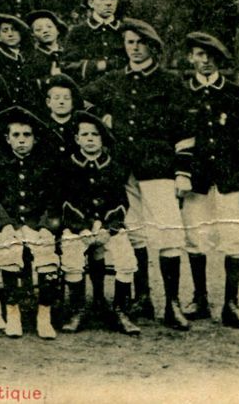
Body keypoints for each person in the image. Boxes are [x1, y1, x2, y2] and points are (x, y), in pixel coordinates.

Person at [83, 18, 191, 330]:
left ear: (153, 47)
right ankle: (143, 296)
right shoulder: (115, 80)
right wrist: (99, 121)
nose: (135, 48)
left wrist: (183, 173)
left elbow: (184, 132)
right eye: (130, 42)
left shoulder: (169, 83)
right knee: (135, 232)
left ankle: (172, 304)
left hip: (158, 168)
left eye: (141, 43)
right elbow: (78, 98)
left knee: (169, 233)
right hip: (123, 169)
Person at [177, 32, 239, 329]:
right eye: (199, 55)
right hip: (196, 180)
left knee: (234, 237)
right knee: (194, 237)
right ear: (190, 58)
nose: (205, 61)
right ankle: (200, 299)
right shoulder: (184, 93)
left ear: (220, 60)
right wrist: (182, 174)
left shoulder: (236, 93)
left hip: (229, 177)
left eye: (211, 56)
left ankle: (231, 305)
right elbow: (179, 138)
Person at [59, 111, 141, 335]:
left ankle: (119, 310)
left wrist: (108, 228)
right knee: (71, 250)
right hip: (79, 227)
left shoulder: (113, 166)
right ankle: (78, 310)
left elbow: (120, 202)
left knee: (125, 257)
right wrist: (83, 227)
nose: (90, 138)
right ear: (77, 139)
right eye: (84, 134)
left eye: (95, 134)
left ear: (103, 139)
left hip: (108, 227)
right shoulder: (69, 166)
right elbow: (66, 201)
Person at [0, 106, 62, 339]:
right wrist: (4, 224)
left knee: (47, 254)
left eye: (26, 135)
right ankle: (13, 312)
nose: (21, 140)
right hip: (10, 225)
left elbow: (54, 199)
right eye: (16, 136)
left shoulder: (45, 165)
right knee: (9, 252)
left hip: (37, 224)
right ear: (7, 139)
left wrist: (46, 227)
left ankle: (44, 314)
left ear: (35, 139)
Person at [63, 0, 129, 81]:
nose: (109, 2)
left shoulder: (126, 30)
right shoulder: (78, 31)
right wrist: (99, 66)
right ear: (91, 3)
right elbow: (67, 66)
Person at [26, 9, 68, 78]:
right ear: (33, 34)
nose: (45, 31)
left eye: (49, 27)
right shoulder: (32, 59)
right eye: (39, 29)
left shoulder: (67, 52)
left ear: (58, 30)